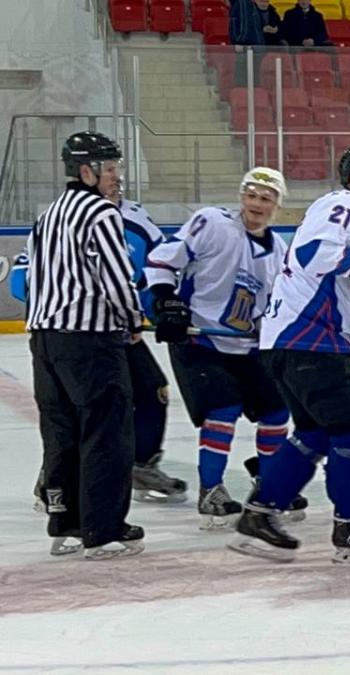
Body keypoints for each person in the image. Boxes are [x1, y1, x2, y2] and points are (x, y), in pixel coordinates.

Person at [228, 144, 350, 565]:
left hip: (295, 343)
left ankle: (259, 515)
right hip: (310, 342)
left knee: (316, 435)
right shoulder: (347, 204)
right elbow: (313, 254)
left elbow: (340, 291)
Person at [13, 181, 188, 507]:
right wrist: (64, 305)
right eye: (105, 172)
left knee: (153, 391)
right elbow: (21, 278)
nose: (113, 183)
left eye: (115, 173)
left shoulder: (137, 220)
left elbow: (156, 274)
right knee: (80, 408)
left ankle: (141, 463)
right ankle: (55, 478)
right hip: (79, 332)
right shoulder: (61, 217)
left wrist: (160, 308)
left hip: (121, 329)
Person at [144, 168, 300, 530]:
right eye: (252, 194)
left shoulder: (281, 253)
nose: (257, 203)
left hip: (249, 347)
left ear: (277, 205)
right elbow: (164, 260)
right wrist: (166, 301)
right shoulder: (211, 223)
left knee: (277, 411)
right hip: (201, 340)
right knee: (223, 410)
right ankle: (211, 489)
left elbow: (282, 305)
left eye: (266, 198)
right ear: (241, 196)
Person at [26, 131, 144, 560]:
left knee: (62, 431)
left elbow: (34, 278)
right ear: (86, 171)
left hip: (45, 339)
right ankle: (103, 528)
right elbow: (115, 276)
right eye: (110, 169)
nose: (116, 177)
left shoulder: (50, 213)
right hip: (89, 340)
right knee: (106, 430)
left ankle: (67, 523)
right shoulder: (101, 213)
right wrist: (133, 319)